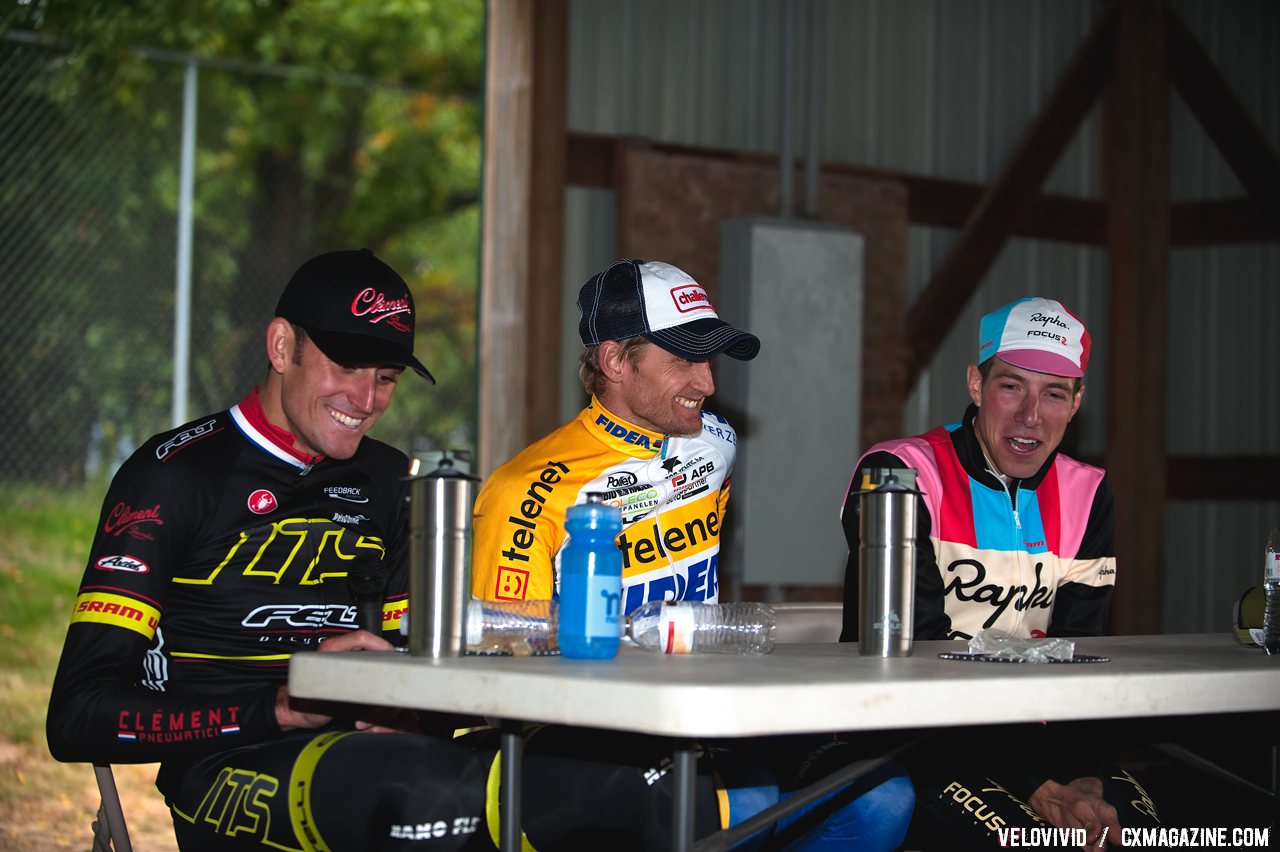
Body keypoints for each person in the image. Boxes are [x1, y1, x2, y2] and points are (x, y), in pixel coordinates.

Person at [48, 249, 825, 851]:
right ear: (282, 345)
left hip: (378, 754)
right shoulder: (173, 474)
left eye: (385, 376)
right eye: (345, 366)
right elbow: (77, 717)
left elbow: (432, 663)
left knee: (655, 782)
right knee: (481, 799)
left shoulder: (391, 478)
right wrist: (277, 706)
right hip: (228, 763)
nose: (365, 399)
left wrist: (418, 705)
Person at [473, 258, 915, 850]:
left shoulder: (716, 443)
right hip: (584, 726)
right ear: (613, 361)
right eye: (682, 358)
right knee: (746, 804)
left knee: (882, 794)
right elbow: (497, 654)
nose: (706, 383)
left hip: (707, 705)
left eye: (708, 359)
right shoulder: (525, 489)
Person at [837, 296, 1158, 848]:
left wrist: (1079, 774)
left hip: (1043, 742)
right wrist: (1040, 784)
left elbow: (1081, 650)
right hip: (910, 735)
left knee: (1150, 834)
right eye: (1011, 386)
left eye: (1054, 393)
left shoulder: (1088, 492)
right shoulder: (899, 472)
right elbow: (922, 658)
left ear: (1077, 402)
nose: (1030, 415)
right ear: (975, 385)